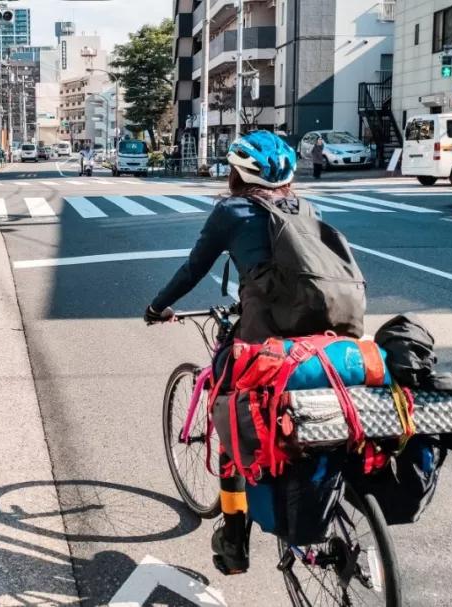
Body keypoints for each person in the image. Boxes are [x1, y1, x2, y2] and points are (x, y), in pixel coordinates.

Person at [144, 130, 317, 576]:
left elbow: (193, 268)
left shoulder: (232, 210)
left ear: (236, 174)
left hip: (264, 338)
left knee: (230, 410)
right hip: (325, 330)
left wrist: (157, 306)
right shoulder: (304, 209)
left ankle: (235, 536)